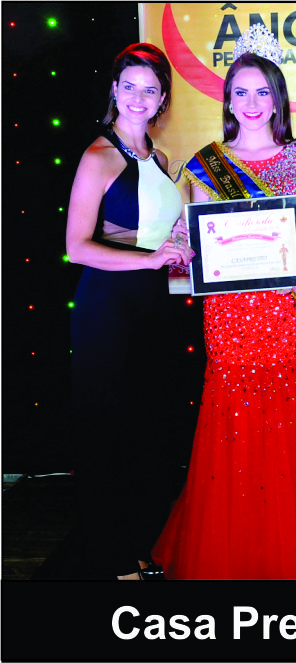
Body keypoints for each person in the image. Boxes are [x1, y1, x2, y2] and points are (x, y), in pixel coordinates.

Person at [151, 24, 296, 579]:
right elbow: (190, 235)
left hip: (282, 310)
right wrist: (179, 243)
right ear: (227, 100)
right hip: (228, 315)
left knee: (283, 430)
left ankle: (282, 556)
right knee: (229, 426)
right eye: (240, 93)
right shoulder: (205, 164)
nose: (251, 103)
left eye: (262, 92)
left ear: (278, 98)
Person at [66, 43, 194, 580]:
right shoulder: (98, 156)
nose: (139, 98)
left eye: (150, 89)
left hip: (151, 305)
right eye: (130, 87)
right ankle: (112, 557)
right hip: (107, 306)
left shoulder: (159, 160)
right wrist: (149, 260)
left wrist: (178, 244)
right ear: (114, 91)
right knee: (109, 432)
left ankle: (137, 548)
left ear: (163, 98)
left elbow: (153, 236)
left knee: (147, 429)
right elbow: (77, 247)